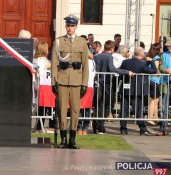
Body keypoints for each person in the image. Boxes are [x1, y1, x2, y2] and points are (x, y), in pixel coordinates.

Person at [51, 14, 89, 149]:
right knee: (61, 110)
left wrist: (84, 84)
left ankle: (72, 140)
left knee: (74, 111)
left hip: (76, 81)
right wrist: (53, 82)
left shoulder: (82, 42)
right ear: (65, 26)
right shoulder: (59, 41)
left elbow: (85, 65)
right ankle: (63, 140)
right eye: (68, 25)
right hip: (61, 80)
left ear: (76, 27)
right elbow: (55, 62)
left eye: (72, 26)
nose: (70, 28)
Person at [93, 40, 133, 135]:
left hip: (97, 82)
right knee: (108, 105)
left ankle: (96, 126)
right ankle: (100, 126)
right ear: (112, 49)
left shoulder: (96, 56)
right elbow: (112, 69)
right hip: (106, 83)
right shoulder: (109, 56)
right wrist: (127, 72)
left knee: (99, 105)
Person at [119, 47, 157, 135]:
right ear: (142, 54)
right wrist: (151, 62)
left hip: (126, 89)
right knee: (138, 110)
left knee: (124, 110)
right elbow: (153, 71)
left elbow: (120, 72)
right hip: (137, 90)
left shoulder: (126, 62)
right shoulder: (141, 64)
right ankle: (142, 128)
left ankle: (123, 128)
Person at [33, 42, 55, 132]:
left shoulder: (42, 61)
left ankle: (41, 126)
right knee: (46, 107)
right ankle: (43, 125)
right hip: (43, 86)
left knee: (44, 107)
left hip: (45, 87)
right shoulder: (40, 61)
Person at [157, 41, 171, 136]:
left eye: (170, 46)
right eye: (168, 46)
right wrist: (166, 70)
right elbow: (160, 67)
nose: (169, 47)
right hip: (166, 83)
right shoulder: (163, 55)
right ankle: (162, 128)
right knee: (164, 107)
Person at [146, 43, 161, 126]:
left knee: (156, 100)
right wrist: (160, 72)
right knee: (153, 100)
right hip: (154, 80)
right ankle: (150, 118)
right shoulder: (157, 58)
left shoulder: (150, 57)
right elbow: (156, 69)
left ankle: (156, 117)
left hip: (152, 80)